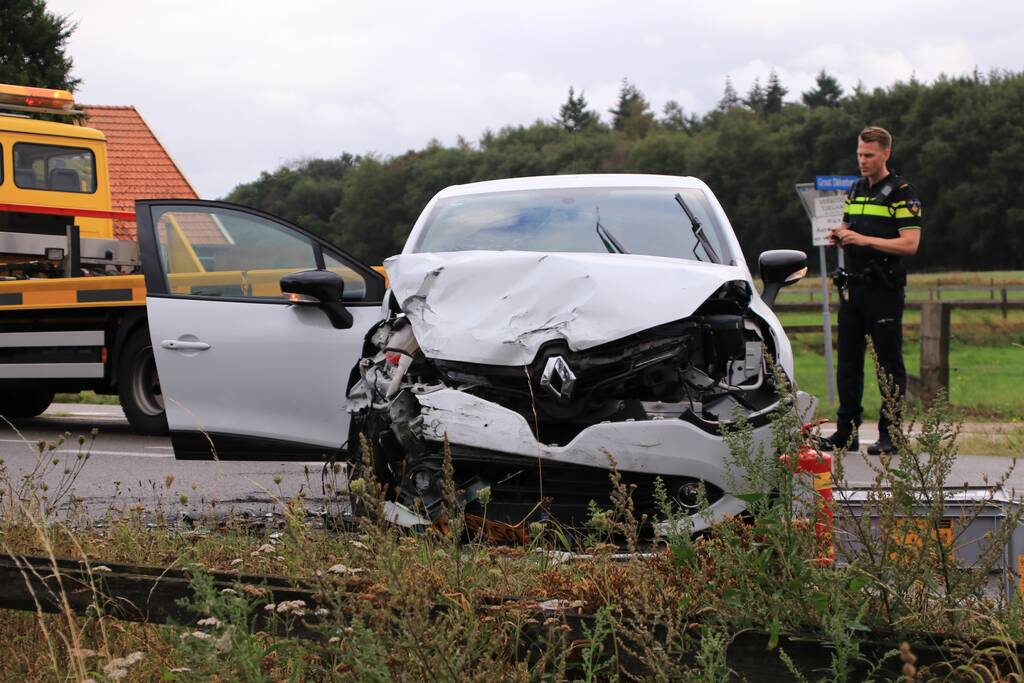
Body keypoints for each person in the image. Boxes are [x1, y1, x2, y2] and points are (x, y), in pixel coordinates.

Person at [822, 126, 922, 455]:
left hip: (883, 290)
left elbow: (910, 244)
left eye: (869, 155)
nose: (863, 161)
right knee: (848, 362)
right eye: (859, 155)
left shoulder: (902, 194)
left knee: (887, 363)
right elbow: (849, 227)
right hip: (853, 288)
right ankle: (846, 432)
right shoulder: (855, 189)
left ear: (886, 154)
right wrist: (840, 234)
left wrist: (863, 240)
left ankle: (890, 433)